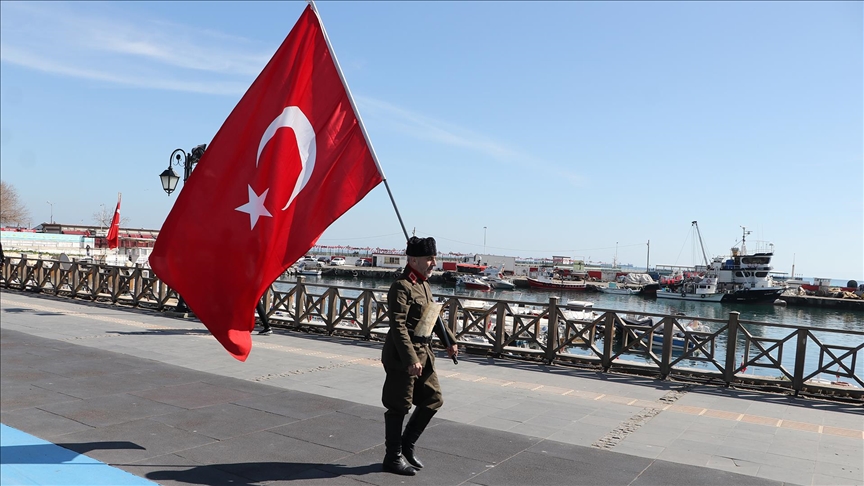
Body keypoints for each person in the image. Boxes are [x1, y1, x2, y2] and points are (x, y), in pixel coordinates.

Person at [381, 236, 457, 476]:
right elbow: (398, 326)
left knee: (433, 398)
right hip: (403, 357)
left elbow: (431, 316)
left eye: (434, 257)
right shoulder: (401, 286)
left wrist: (449, 342)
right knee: (399, 406)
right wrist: (410, 358)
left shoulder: (423, 284)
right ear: (413, 259)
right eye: (429, 258)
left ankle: (407, 445)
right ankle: (392, 457)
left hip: (424, 354)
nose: (434, 262)